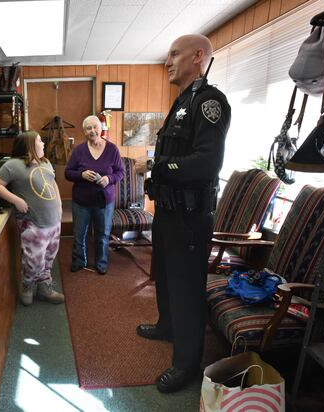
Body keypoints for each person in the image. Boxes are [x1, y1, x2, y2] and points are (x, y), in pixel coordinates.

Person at [136, 34, 231, 393]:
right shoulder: (183, 102)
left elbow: (208, 162)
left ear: (198, 56)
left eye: (175, 54)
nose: (168, 61)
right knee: (163, 273)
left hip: (190, 217)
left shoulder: (210, 102)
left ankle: (187, 364)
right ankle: (167, 326)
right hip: (168, 212)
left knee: (187, 287)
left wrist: (161, 167)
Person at [0, 130, 64, 306]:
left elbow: (53, 183)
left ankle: (44, 288)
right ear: (30, 144)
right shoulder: (13, 165)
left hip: (53, 222)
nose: (43, 144)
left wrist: (60, 205)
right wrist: (16, 200)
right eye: (40, 141)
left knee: (48, 258)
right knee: (34, 261)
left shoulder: (45, 162)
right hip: (33, 223)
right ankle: (27, 286)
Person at [64, 115, 124, 275]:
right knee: (78, 234)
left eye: (95, 127)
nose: (92, 131)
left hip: (104, 201)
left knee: (103, 234)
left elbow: (120, 172)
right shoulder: (79, 151)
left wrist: (108, 179)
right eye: (88, 128)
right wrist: (81, 175)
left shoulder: (112, 149)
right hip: (81, 201)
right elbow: (68, 173)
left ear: (100, 128)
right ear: (84, 131)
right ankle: (79, 260)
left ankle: (101, 263)